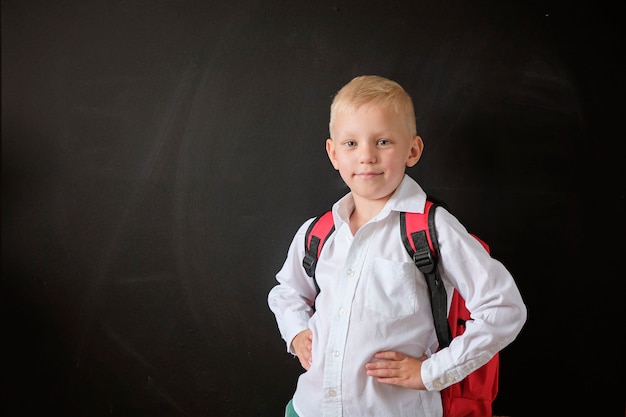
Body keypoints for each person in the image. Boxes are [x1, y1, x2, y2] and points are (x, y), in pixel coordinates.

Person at [267, 75, 527, 417]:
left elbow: (504, 309)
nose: (366, 157)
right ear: (332, 153)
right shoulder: (317, 232)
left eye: (383, 141)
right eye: (350, 144)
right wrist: (296, 330)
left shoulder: (434, 230)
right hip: (309, 408)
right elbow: (286, 291)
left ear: (413, 150)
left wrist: (431, 372)